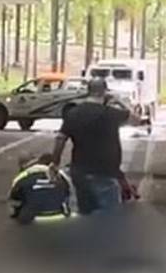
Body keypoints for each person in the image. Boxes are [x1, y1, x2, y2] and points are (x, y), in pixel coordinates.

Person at [52, 78, 130, 215]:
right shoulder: (111, 113)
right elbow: (136, 118)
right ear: (104, 92)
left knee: (85, 213)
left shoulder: (73, 113)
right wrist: (117, 101)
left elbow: (60, 139)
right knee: (108, 219)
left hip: (80, 173)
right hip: (105, 173)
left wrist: (55, 162)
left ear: (88, 91)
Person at [9, 153, 71, 224]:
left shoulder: (22, 177)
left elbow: (14, 200)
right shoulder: (60, 174)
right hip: (59, 216)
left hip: (34, 218)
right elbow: (68, 194)